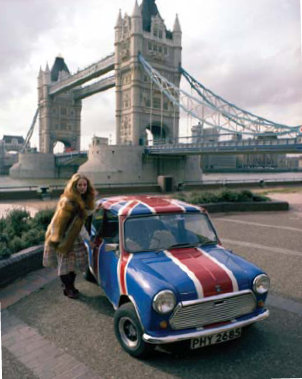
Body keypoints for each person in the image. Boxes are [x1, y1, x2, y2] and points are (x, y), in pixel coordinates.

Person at [43, 173, 96, 299]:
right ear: (74, 186)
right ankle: (68, 288)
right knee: (65, 266)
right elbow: (71, 224)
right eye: (79, 185)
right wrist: (88, 240)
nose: (82, 187)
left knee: (72, 266)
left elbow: (83, 218)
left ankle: (70, 286)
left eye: (84, 185)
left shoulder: (84, 199)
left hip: (74, 236)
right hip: (63, 237)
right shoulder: (69, 202)